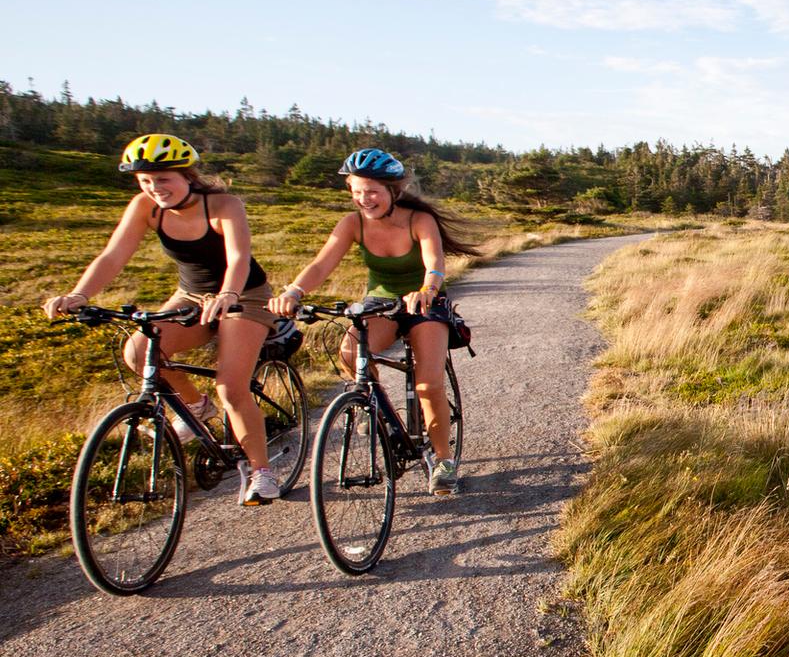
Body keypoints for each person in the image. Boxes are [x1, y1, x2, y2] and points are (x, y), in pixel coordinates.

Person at [43, 133, 284, 505]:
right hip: (190, 295)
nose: (155, 188)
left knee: (231, 387)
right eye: (146, 181)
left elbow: (238, 257)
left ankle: (261, 472)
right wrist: (79, 294)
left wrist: (228, 296)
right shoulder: (146, 207)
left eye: (163, 179)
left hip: (245, 297)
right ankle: (194, 407)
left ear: (187, 175)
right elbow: (113, 256)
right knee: (140, 353)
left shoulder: (223, 205)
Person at [269, 148, 479, 496]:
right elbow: (322, 266)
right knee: (350, 352)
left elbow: (434, 263)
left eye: (371, 191)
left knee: (427, 383)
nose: (363, 199)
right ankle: (373, 408)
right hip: (380, 304)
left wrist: (427, 289)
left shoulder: (418, 220)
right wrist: (293, 291)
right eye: (356, 191)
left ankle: (442, 460)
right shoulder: (352, 224)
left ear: (392, 191)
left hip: (423, 303)